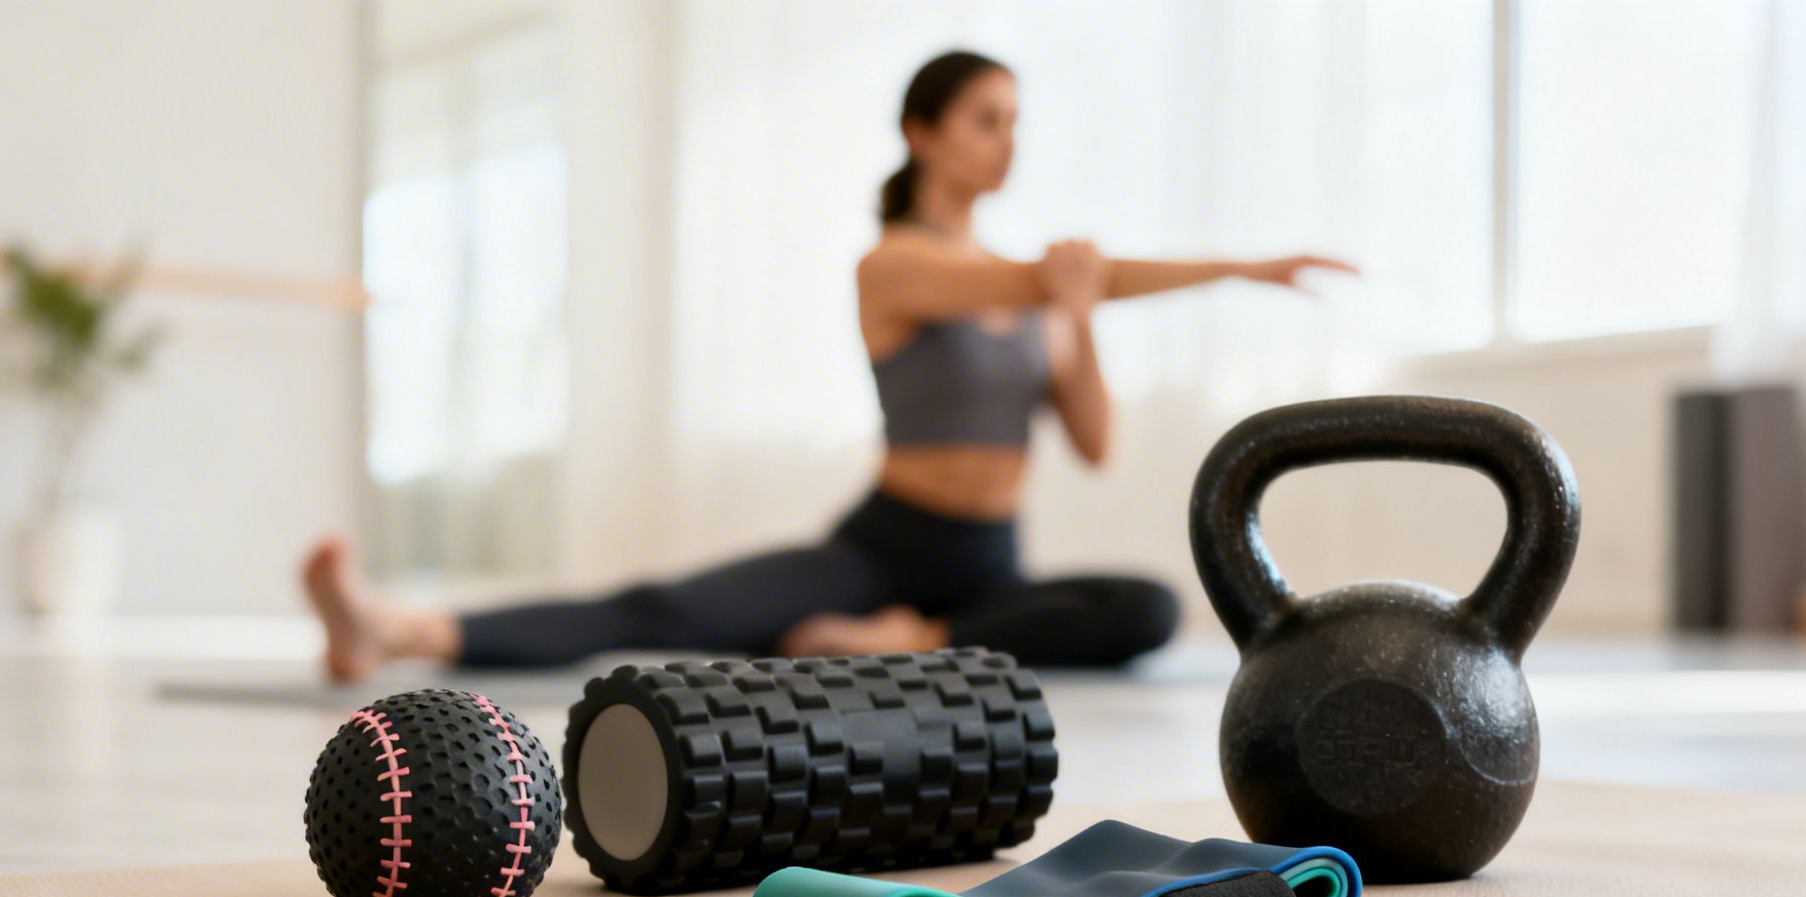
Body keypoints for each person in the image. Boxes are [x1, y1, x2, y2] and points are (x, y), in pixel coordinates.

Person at [304, 48, 1356, 682]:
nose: (1006, 144)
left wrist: (1080, 317)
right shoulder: (895, 265)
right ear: (922, 133)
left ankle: (910, 641)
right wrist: (1228, 267)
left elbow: (1093, 444)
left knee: (1147, 608)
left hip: (984, 570)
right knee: (663, 613)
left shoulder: (1038, 292)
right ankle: (396, 626)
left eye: (1015, 125)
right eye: (986, 122)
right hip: (878, 545)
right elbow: (1042, 277)